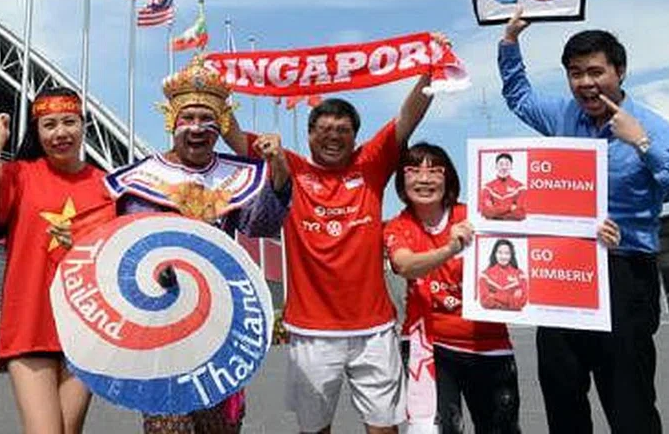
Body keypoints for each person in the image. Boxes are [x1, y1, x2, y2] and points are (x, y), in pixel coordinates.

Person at [223, 43, 442, 434]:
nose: (333, 137)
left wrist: (430, 67)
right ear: (309, 135)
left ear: (356, 137)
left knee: (384, 428)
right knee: (315, 429)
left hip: (374, 330)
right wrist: (212, 89)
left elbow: (409, 117)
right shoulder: (289, 166)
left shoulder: (371, 165)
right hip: (311, 332)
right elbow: (233, 135)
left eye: (343, 131)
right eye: (324, 130)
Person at [499, 7, 669, 433]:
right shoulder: (563, 115)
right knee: (561, 391)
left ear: (620, 72)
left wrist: (643, 144)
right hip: (563, 272)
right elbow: (520, 97)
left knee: (629, 401)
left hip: (624, 271)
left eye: (596, 71)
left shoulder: (652, 127)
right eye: (575, 73)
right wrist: (510, 42)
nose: (585, 82)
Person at [103, 56, 291, 434]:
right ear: (172, 121)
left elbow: (262, 224)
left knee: (220, 425)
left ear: (220, 125)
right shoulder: (140, 179)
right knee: (168, 424)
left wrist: (279, 171)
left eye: (207, 119)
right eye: (188, 118)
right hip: (161, 319)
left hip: (220, 317)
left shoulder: (234, 176)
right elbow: (125, 248)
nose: (197, 128)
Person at [0, 87, 115, 434]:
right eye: (49, 125)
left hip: (86, 326)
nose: (60, 132)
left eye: (69, 122)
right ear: (37, 131)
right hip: (30, 321)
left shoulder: (108, 186)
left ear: (83, 125)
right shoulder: (19, 174)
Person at [384, 142, 521, 434]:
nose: (424, 179)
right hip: (429, 347)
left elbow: (531, 237)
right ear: (401, 180)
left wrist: (591, 231)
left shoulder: (475, 216)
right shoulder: (397, 226)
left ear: (449, 178)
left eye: (434, 171)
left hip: (489, 344)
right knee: (439, 430)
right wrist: (450, 249)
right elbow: (406, 265)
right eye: (413, 171)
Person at [477, 240, 527, 311]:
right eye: (500, 252)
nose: (503, 256)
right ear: (495, 254)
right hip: (492, 315)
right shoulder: (485, 275)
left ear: (511, 255)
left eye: (507, 253)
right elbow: (485, 301)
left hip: (515, 316)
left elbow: (522, 301)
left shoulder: (520, 274)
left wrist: (493, 295)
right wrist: (511, 298)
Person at [479, 153, 526, 220]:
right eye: (501, 164)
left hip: (514, 225)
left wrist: (496, 210)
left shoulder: (520, 187)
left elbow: (520, 214)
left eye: (507, 164)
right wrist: (510, 208)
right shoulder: (487, 187)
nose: (504, 167)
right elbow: (486, 212)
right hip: (491, 225)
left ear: (511, 166)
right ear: (496, 166)